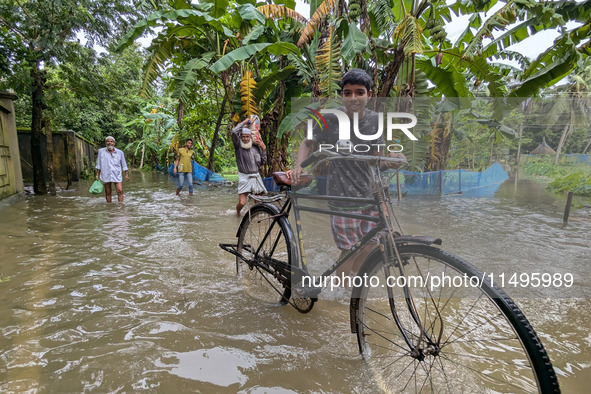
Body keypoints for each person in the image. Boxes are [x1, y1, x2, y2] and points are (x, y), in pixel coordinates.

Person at [288, 68, 405, 276]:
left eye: (360, 92)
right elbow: (307, 143)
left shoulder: (375, 121)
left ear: (369, 95)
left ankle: (349, 290)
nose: (354, 98)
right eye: (348, 92)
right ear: (342, 95)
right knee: (349, 251)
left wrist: (392, 161)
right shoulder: (331, 119)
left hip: (371, 196)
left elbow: (377, 161)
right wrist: (299, 167)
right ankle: (342, 297)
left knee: (370, 248)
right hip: (341, 197)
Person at [232, 117, 267, 215]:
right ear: (240, 137)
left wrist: (264, 149)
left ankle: (258, 218)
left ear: (250, 137)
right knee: (242, 202)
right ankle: (238, 212)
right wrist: (244, 123)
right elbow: (234, 132)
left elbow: (262, 162)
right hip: (244, 176)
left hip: (256, 176)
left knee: (258, 202)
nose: (245, 139)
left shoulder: (256, 148)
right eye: (243, 136)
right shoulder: (238, 146)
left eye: (247, 137)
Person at [95, 135, 129, 203]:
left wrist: (126, 175)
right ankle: (109, 208)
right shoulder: (101, 151)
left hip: (117, 174)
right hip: (106, 174)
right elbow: (99, 164)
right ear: (105, 143)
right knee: (108, 192)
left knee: (120, 191)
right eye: (108, 141)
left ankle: (120, 207)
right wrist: (97, 174)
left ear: (114, 143)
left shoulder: (120, 152)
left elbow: (124, 164)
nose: (110, 143)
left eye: (111, 141)